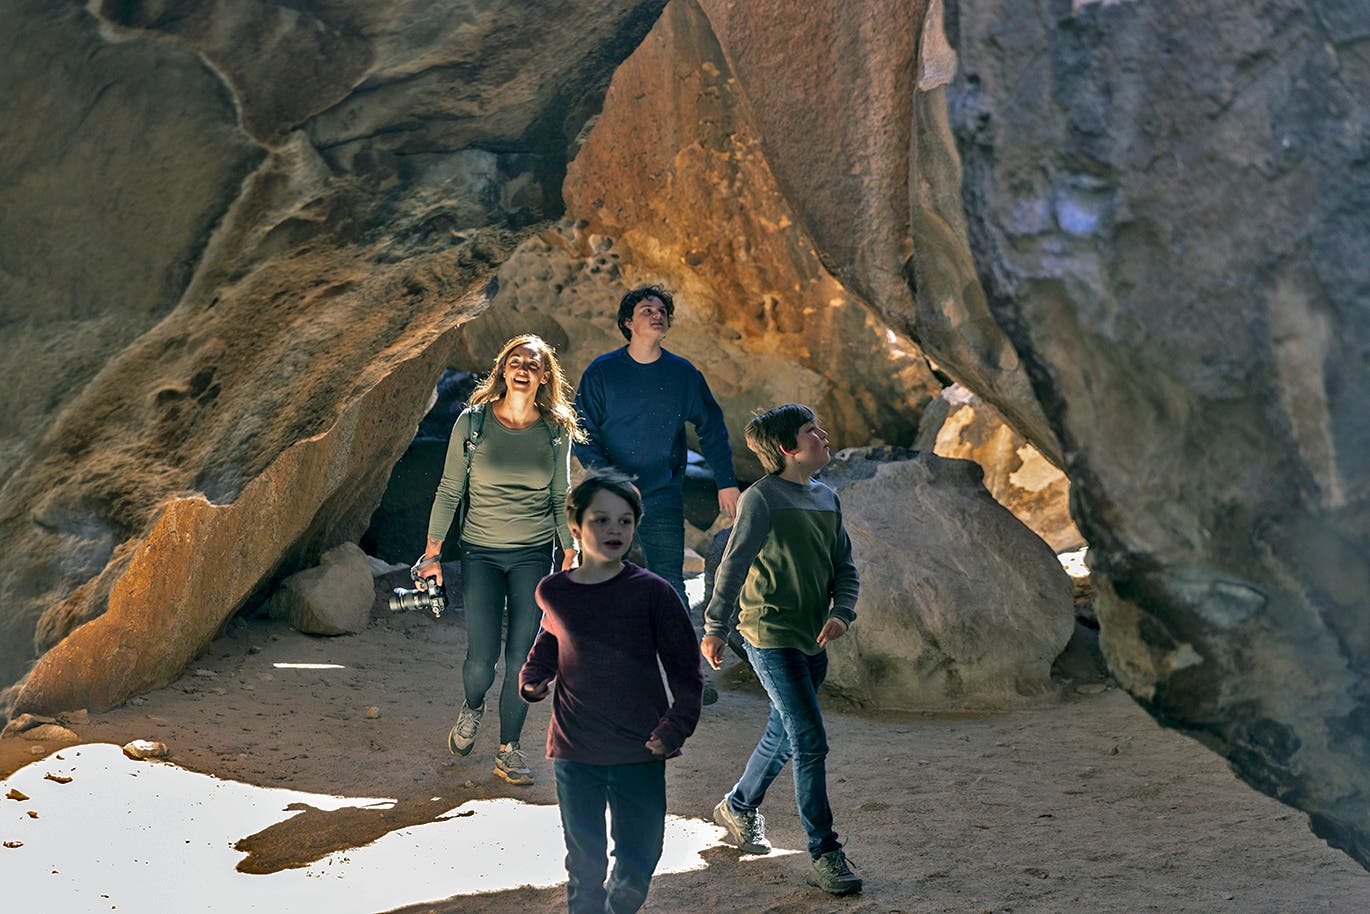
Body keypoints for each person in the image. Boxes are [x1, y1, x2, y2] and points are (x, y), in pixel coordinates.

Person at [520, 469, 704, 914]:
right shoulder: (554, 591)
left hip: (640, 749)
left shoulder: (654, 594)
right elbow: (551, 636)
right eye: (601, 520)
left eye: (625, 520)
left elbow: (687, 673)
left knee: (639, 860)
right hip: (574, 749)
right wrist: (534, 676)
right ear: (575, 526)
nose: (614, 529)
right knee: (584, 865)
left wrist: (675, 728)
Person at [700, 403, 863, 896]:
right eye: (813, 430)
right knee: (809, 739)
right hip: (769, 637)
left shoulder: (827, 498)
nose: (824, 434)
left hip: (813, 638)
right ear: (788, 448)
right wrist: (715, 626)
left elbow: (845, 568)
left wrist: (841, 613)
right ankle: (825, 852)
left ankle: (738, 806)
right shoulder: (761, 498)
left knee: (785, 732)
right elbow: (733, 566)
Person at [419, 334, 584, 787]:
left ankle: (509, 749)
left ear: (544, 376)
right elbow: (449, 490)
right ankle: (473, 707)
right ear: (503, 369)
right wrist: (432, 554)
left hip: (534, 554)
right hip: (481, 553)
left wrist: (570, 552)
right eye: (515, 361)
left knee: (522, 659)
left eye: (533, 363)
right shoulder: (472, 423)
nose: (523, 369)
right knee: (481, 661)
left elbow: (560, 495)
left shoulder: (555, 431)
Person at [572, 284, 740, 619]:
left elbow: (711, 428)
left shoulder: (683, 375)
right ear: (628, 323)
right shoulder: (602, 372)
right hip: (608, 498)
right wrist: (614, 480)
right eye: (647, 311)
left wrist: (726, 481)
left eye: (662, 311)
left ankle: (678, 650)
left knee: (669, 583)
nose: (657, 315)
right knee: (600, 578)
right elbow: (582, 431)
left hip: (663, 496)